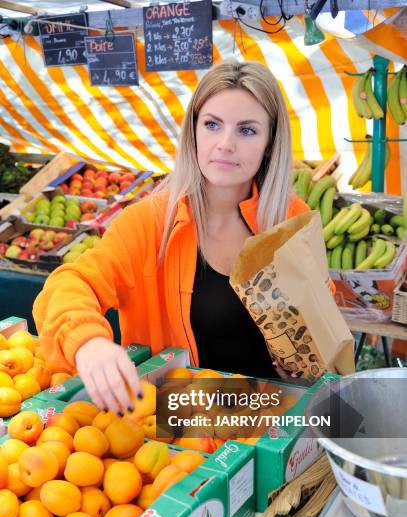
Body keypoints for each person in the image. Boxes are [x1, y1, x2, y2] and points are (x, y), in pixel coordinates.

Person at [33, 59, 312, 417]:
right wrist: (88, 342)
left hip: (276, 413)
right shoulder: (150, 223)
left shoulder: (290, 217)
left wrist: (304, 348)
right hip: (181, 426)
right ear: (192, 131)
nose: (225, 144)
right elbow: (70, 283)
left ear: (270, 142)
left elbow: (317, 303)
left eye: (247, 130)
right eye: (212, 125)